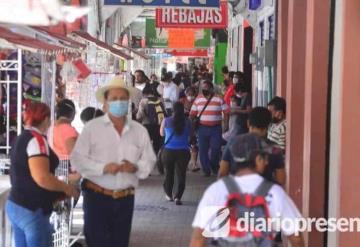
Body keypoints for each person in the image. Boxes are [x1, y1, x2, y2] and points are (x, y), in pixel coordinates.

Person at [70, 76, 156, 247]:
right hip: (96, 197)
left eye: (123, 99)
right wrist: (102, 168)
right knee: (97, 242)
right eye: (114, 99)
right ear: (106, 103)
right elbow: (78, 160)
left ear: (129, 102)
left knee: (120, 243)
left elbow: (149, 161)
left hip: (125, 198)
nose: (119, 102)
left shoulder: (139, 131)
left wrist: (135, 168)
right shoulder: (91, 129)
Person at [190, 133, 304, 247]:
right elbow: (296, 237)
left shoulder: (216, 190)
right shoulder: (275, 193)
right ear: (258, 159)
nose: (267, 162)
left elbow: (198, 238)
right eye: (265, 157)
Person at [6, 102, 79, 247]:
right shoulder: (37, 140)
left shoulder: (21, 138)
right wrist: (66, 187)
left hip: (16, 204)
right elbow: (42, 177)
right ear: (46, 119)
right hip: (31, 208)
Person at [218, 107, 286, 186]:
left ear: (248, 123)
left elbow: (223, 172)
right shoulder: (274, 148)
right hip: (263, 194)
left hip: (237, 193)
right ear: (268, 124)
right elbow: (281, 180)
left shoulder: (234, 142)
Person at [190, 81, 229, 177]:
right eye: (203, 88)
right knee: (203, 150)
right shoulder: (198, 99)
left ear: (211, 88)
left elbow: (227, 112)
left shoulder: (219, 98)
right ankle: (206, 170)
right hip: (202, 129)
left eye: (206, 87)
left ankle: (214, 166)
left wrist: (226, 125)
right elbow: (192, 114)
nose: (204, 90)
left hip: (216, 128)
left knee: (216, 148)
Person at [160, 102, 192, 205]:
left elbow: (161, 133)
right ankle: (178, 196)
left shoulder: (166, 120)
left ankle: (169, 195)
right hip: (183, 152)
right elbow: (191, 135)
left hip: (168, 151)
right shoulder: (188, 121)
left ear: (172, 110)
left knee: (169, 173)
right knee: (181, 174)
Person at [48, 99, 81, 182]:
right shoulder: (67, 129)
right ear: (72, 114)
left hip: (53, 167)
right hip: (68, 169)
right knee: (66, 192)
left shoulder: (51, 127)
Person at [137, 84, 166, 155]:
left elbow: (139, 115)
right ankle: (156, 158)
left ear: (144, 94)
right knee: (157, 144)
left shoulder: (143, 101)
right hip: (159, 125)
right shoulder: (160, 100)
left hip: (147, 125)